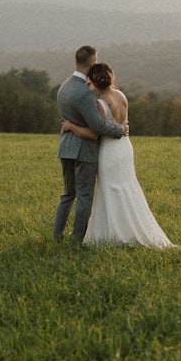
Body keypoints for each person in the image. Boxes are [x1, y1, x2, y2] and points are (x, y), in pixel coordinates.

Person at [61, 62, 174, 249]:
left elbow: (95, 133)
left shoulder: (100, 103)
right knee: (127, 188)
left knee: (109, 190)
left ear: (92, 81)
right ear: (112, 76)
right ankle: (128, 227)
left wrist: (71, 126)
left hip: (110, 151)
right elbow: (121, 124)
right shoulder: (121, 96)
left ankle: (112, 233)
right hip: (125, 149)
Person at [53, 46, 127, 243]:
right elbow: (97, 127)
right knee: (85, 196)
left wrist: (70, 126)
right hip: (83, 150)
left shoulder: (64, 87)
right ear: (93, 64)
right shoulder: (85, 94)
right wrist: (120, 130)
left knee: (68, 194)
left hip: (65, 147)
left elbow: (69, 118)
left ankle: (57, 235)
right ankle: (77, 239)